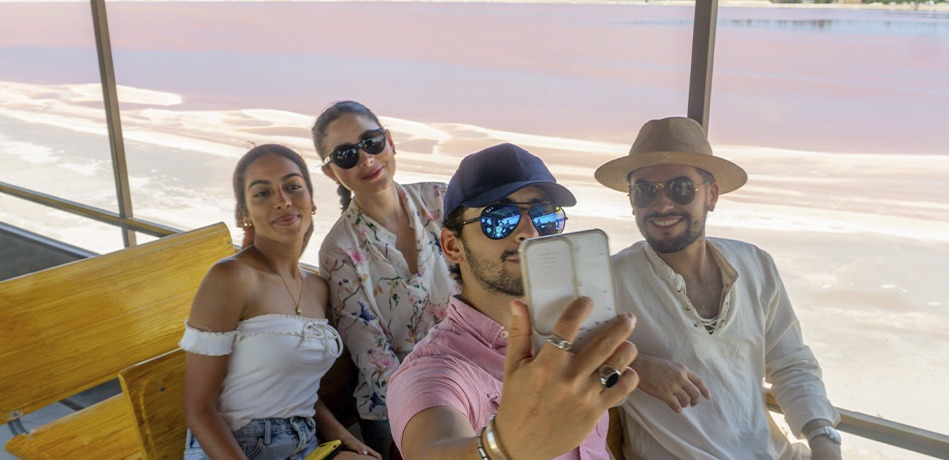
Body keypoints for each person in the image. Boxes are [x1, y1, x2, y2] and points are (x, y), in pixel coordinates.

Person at [594, 117, 842, 460]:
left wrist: (824, 438)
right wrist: (637, 367)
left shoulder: (756, 265)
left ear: (711, 195)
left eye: (680, 188)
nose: (661, 205)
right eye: (645, 191)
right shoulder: (608, 279)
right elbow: (567, 356)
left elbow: (791, 363)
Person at [386, 143, 639, 459]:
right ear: (453, 246)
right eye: (500, 218)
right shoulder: (435, 370)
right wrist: (505, 447)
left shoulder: (568, 339)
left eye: (544, 216)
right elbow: (431, 448)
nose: (529, 231)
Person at [181, 144, 378, 460]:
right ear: (244, 214)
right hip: (235, 446)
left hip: (303, 441)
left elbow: (296, 386)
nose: (283, 201)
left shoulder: (317, 287)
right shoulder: (231, 278)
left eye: (293, 187)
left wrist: (342, 436)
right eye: (262, 193)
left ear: (311, 201)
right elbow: (200, 409)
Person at [312, 101, 457, 459]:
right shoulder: (339, 251)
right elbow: (377, 363)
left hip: (476, 375)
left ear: (390, 141)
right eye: (346, 155)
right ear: (331, 172)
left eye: (372, 142)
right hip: (402, 405)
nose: (366, 158)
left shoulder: (441, 201)